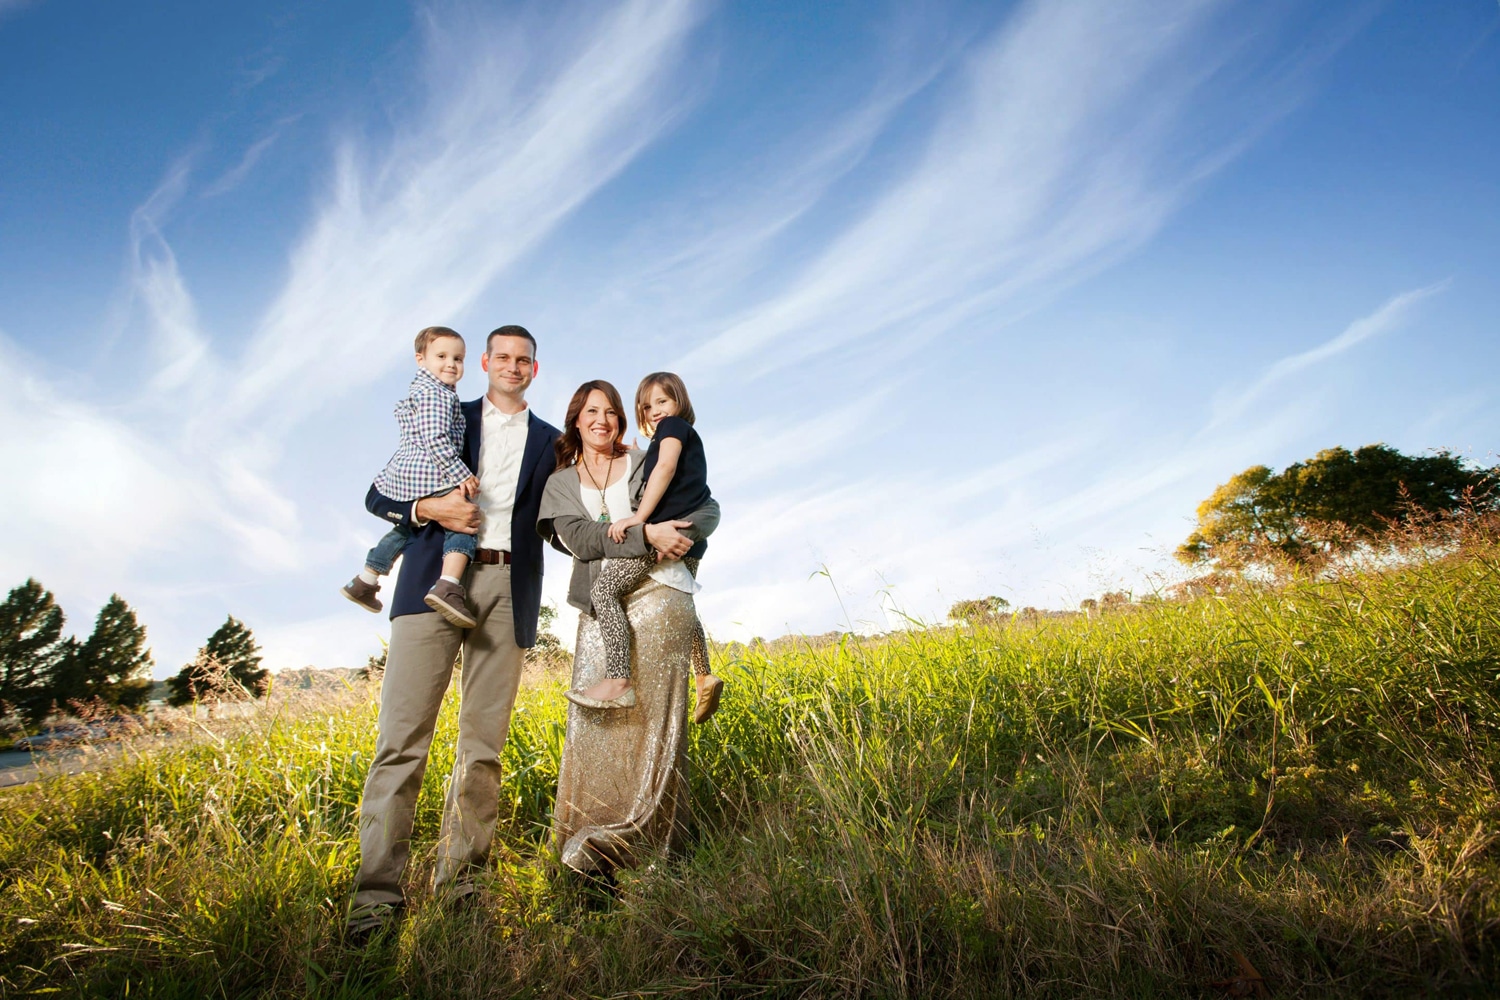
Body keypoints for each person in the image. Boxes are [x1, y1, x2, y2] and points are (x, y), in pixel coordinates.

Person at [345, 325, 561, 939]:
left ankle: (462, 884)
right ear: (485, 362)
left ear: (534, 370)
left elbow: (566, 516)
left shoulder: (552, 443)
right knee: (401, 741)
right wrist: (427, 509)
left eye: (525, 360)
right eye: (503, 357)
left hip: (507, 590)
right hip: (429, 586)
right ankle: (376, 900)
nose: (513, 367)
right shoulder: (445, 413)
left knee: (483, 749)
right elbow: (376, 495)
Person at [537, 381, 721, 876]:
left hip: (661, 595)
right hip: (603, 607)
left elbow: (708, 507)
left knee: (657, 726)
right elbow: (577, 537)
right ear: (575, 418)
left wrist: (681, 534)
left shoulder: (648, 456)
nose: (603, 419)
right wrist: (647, 533)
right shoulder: (559, 482)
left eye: (612, 412)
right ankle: (592, 848)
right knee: (598, 730)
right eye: (592, 411)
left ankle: (657, 849)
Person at [566, 372, 722, 719]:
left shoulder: (672, 428)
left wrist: (640, 520)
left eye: (661, 401)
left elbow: (664, 468)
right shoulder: (673, 437)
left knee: (604, 591)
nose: (654, 411)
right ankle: (703, 675)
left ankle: (618, 680)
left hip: (668, 529)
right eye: (647, 405)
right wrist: (641, 456)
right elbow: (663, 465)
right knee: (682, 598)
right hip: (691, 535)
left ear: (679, 401)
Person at [341, 326, 481, 628]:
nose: (451, 364)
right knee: (463, 521)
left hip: (407, 473)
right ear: (421, 359)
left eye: (458, 358)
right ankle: (448, 585)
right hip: (428, 471)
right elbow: (434, 439)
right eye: (441, 356)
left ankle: (365, 580)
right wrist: (462, 475)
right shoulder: (437, 395)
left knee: (405, 529)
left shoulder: (424, 390)